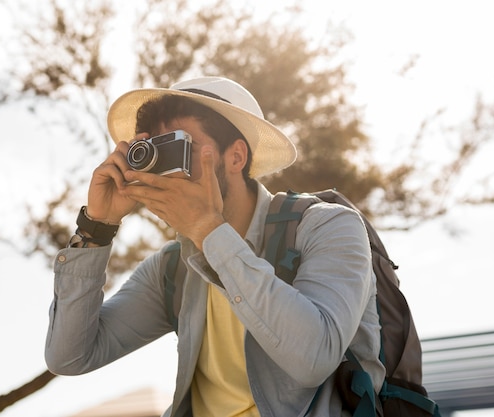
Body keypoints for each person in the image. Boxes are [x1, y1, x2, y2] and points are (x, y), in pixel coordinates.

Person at [45, 76, 385, 417]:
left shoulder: (327, 226)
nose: (168, 171)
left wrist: (211, 232)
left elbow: (314, 358)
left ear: (236, 157)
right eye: (156, 153)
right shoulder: (171, 269)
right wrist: (96, 229)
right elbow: (69, 356)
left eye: (180, 148)